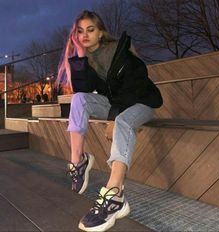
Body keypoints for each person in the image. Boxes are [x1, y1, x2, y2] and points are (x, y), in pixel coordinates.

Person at [57, 10, 163, 232]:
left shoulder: (118, 51)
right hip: (115, 103)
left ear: (100, 32)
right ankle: (78, 162)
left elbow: (136, 86)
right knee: (78, 99)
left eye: (90, 30)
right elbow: (83, 91)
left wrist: (114, 118)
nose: (85, 35)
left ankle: (115, 195)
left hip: (141, 102)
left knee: (123, 122)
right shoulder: (85, 57)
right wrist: (79, 56)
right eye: (80, 31)